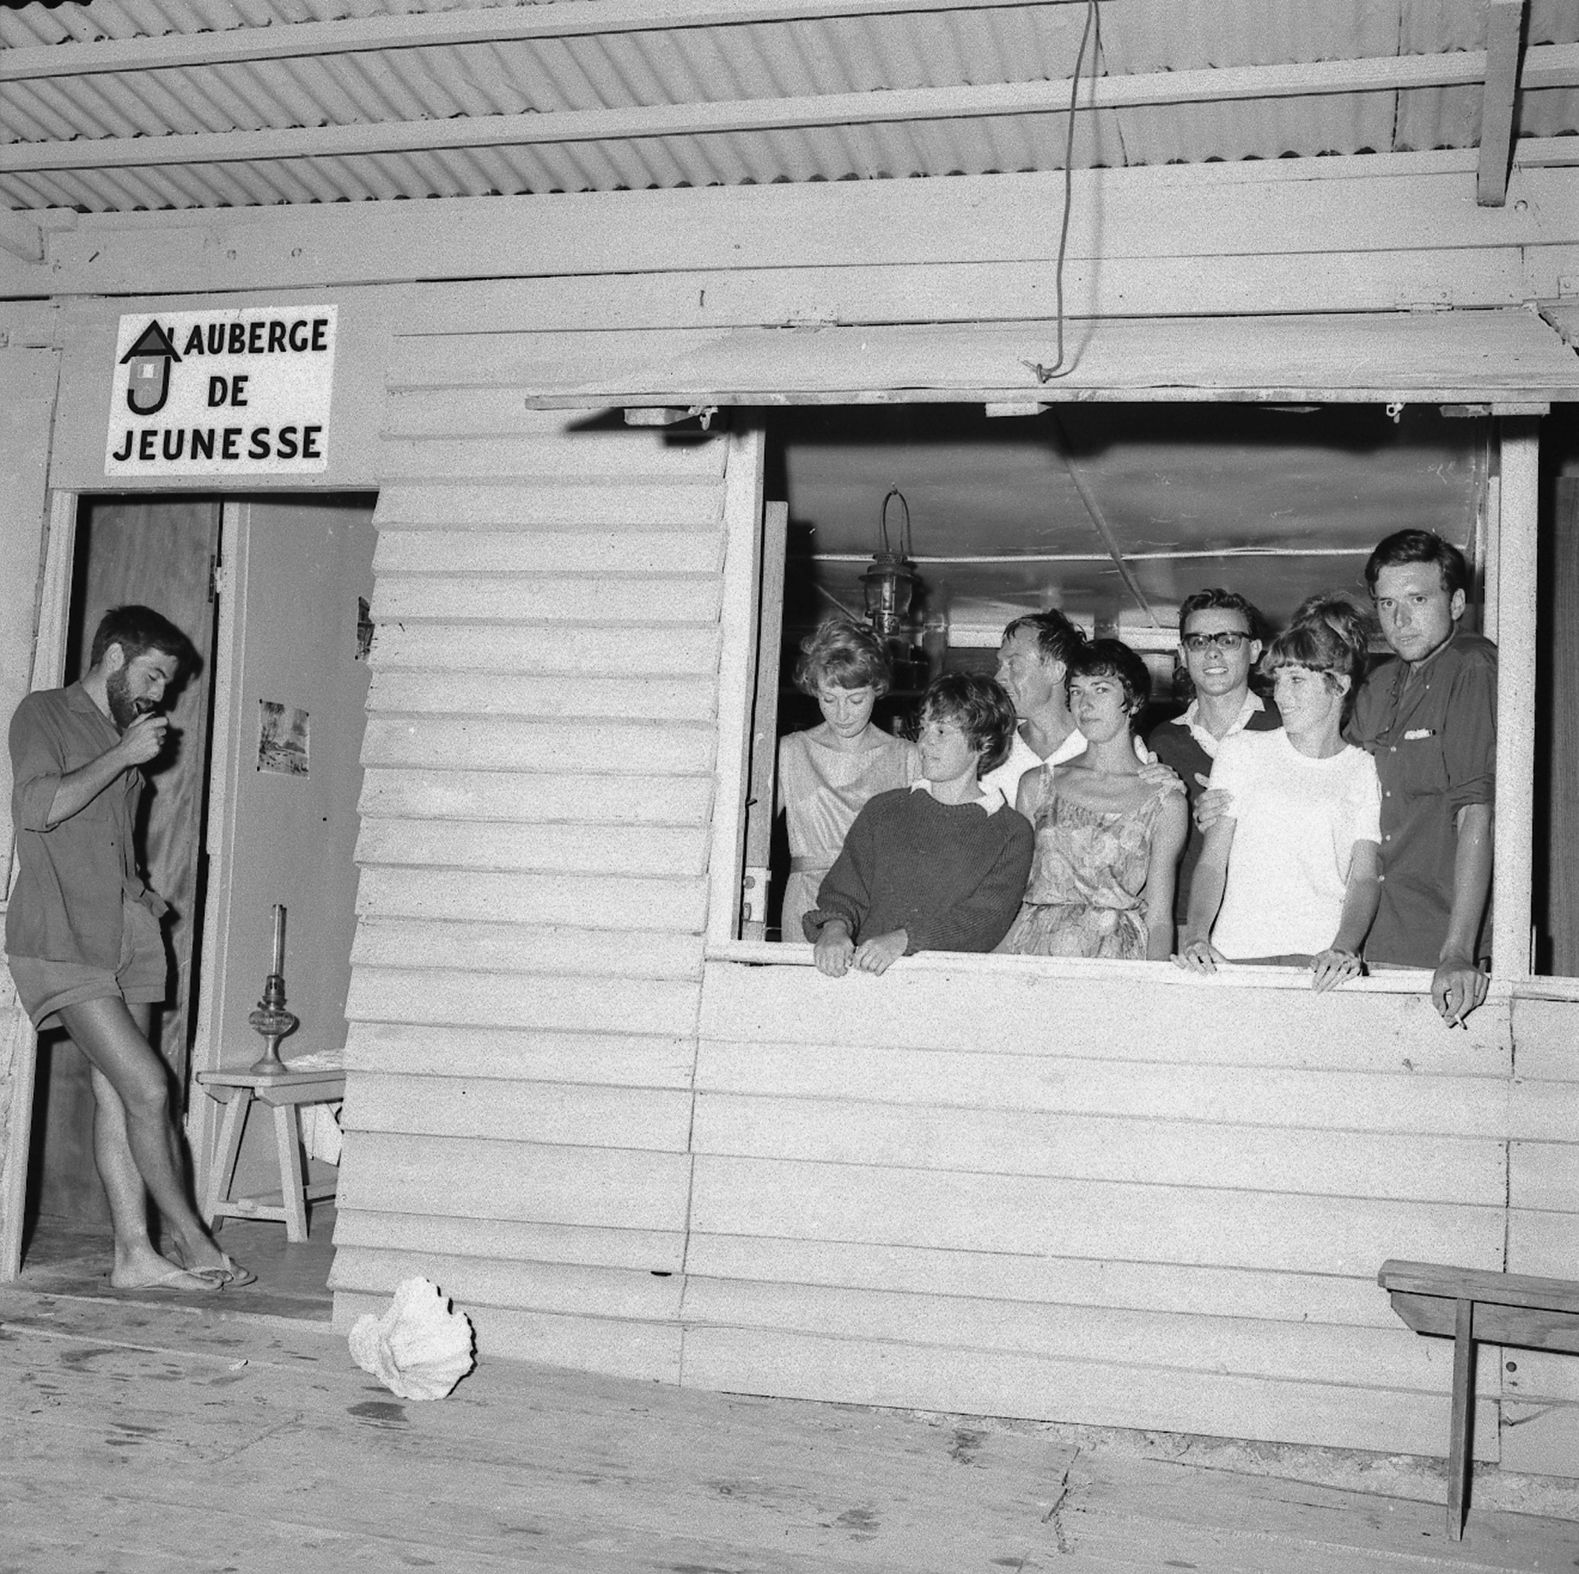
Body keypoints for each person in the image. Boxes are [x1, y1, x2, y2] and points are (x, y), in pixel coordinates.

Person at [6, 606, 252, 1292]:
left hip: (125, 930)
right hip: (59, 935)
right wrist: (121, 756)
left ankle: (133, 1257)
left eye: (167, 686)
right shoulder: (43, 713)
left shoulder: (124, 729)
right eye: (151, 675)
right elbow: (35, 810)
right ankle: (193, 1238)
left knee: (119, 1094)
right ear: (113, 657)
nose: (158, 696)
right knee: (149, 1087)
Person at [1176, 600, 1382, 990]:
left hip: (1321, 962)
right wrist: (1198, 934)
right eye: (1279, 681)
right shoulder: (1241, 750)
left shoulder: (1361, 768)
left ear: (1339, 685)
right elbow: (1212, 863)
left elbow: (1364, 878)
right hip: (1234, 953)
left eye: (1297, 681)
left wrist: (1344, 947)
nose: (1281, 695)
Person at [1349, 530, 1496, 1026]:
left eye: (1417, 599)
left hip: (1437, 950)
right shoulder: (1379, 681)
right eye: (1387, 603)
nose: (1399, 619)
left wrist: (1457, 952)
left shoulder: (1473, 667)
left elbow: (1478, 810)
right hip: (1370, 937)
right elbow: (1331, 775)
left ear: (1455, 602)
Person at [804, 673, 1033, 977]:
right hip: (866, 982)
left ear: (983, 743)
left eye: (941, 731)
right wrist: (834, 929)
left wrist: (904, 939)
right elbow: (845, 890)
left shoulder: (1011, 832)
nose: (924, 742)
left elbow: (985, 920)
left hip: (948, 989)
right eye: (924, 728)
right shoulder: (884, 809)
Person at [999, 640, 1187, 961]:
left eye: (1100, 690)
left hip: (1116, 962)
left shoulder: (1165, 801)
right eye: (1076, 691)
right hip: (1035, 955)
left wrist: (1155, 994)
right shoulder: (1037, 784)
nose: (1085, 704)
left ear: (1135, 701)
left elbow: (1158, 920)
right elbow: (1012, 894)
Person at [777, 616, 919, 941]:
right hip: (805, 902)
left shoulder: (907, 757)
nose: (842, 714)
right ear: (813, 689)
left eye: (855, 699)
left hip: (876, 905)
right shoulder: (790, 751)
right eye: (829, 699)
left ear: (877, 689)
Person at [1146, 589, 1281, 931]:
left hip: (1270, 923)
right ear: (1182, 654)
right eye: (1199, 641)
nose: (1212, 652)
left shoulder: (1285, 727)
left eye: (1229, 640)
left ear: (1253, 651)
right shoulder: (1161, 741)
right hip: (1183, 925)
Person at [979, 609, 1090, 805]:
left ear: (1056, 671)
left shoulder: (1104, 744)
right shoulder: (989, 747)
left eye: (1013, 664)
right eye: (1000, 666)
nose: (998, 678)